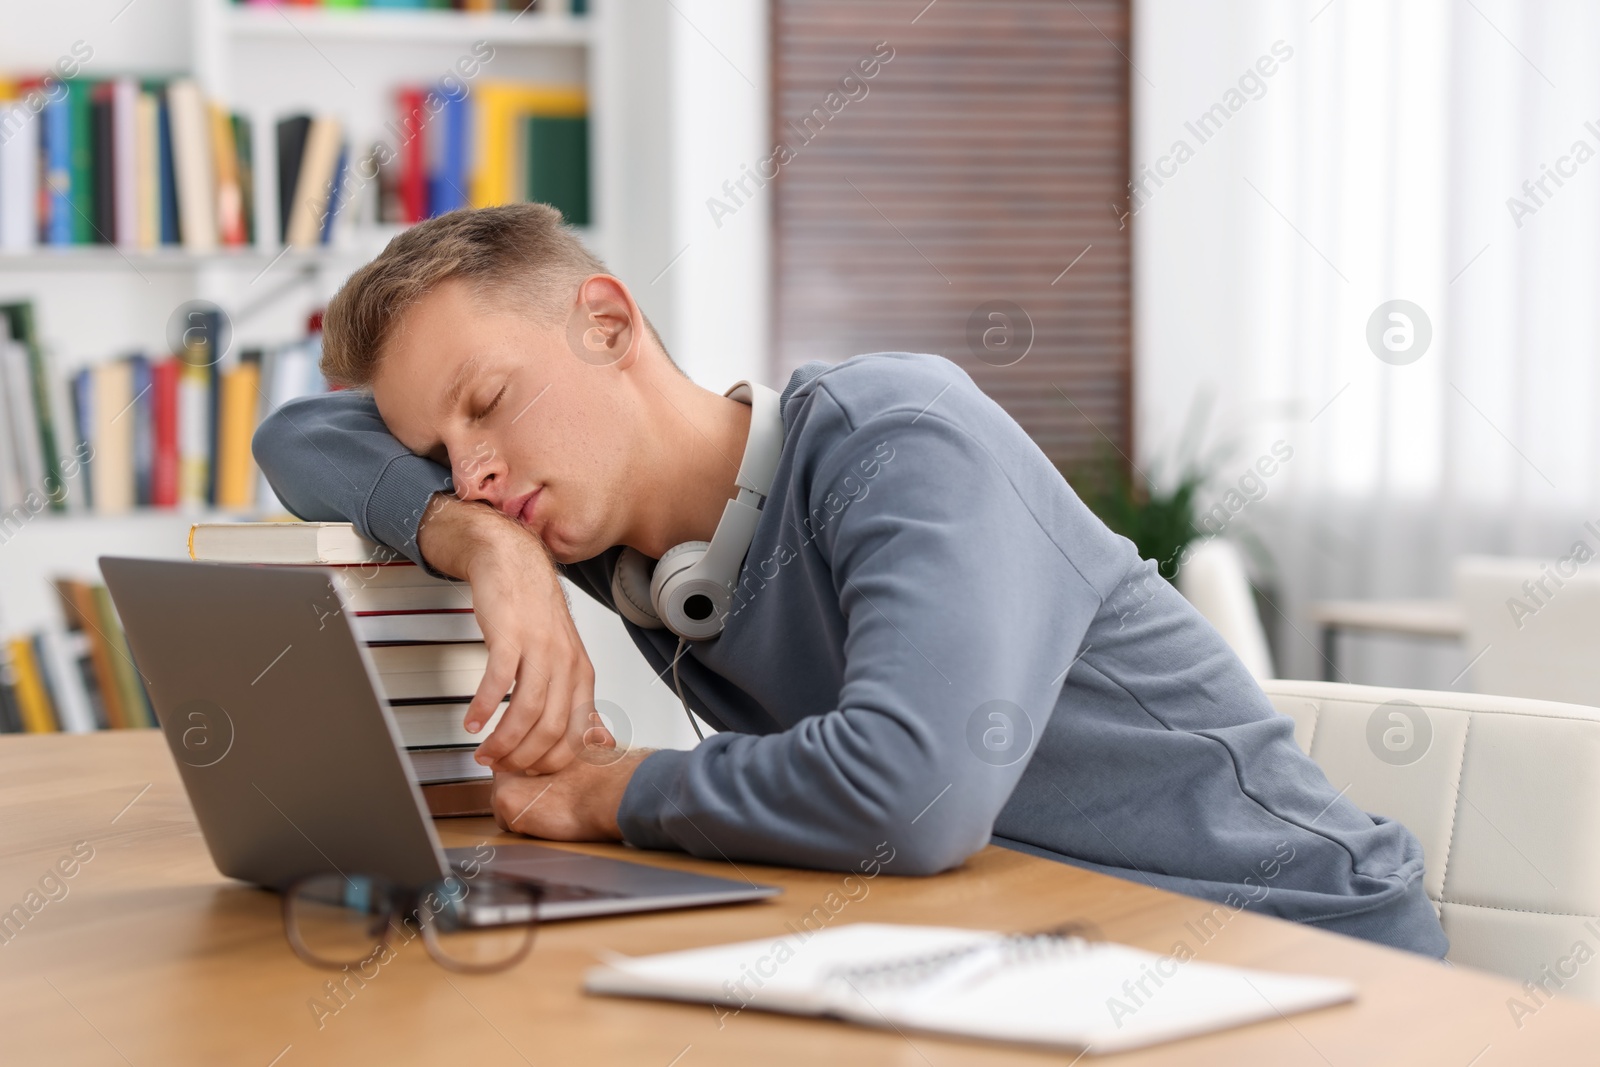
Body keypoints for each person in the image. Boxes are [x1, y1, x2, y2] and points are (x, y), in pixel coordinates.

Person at [253, 204, 1448, 958]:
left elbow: (910, 794)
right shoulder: (621, 553)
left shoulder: (898, 432)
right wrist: (484, 541)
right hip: (1049, 944)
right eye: (436, 457)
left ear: (607, 325)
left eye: (488, 404)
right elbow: (296, 436)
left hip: (1300, 952)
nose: (472, 467)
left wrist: (613, 789)